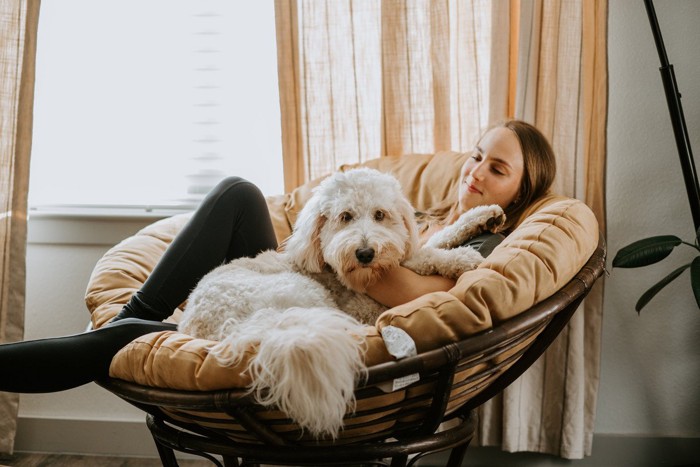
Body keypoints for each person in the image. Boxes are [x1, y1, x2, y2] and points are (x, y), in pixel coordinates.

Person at [0, 119, 556, 394]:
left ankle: (132, 327)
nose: (476, 171)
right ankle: (138, 319)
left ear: (523, 190)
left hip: (322, 302)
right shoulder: (422, 209)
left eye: (497, 169)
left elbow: (415, 295)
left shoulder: (486, 240)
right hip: (300, 281)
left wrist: (352, 254)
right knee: (239, 194)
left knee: (119, 339)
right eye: (477, 156)